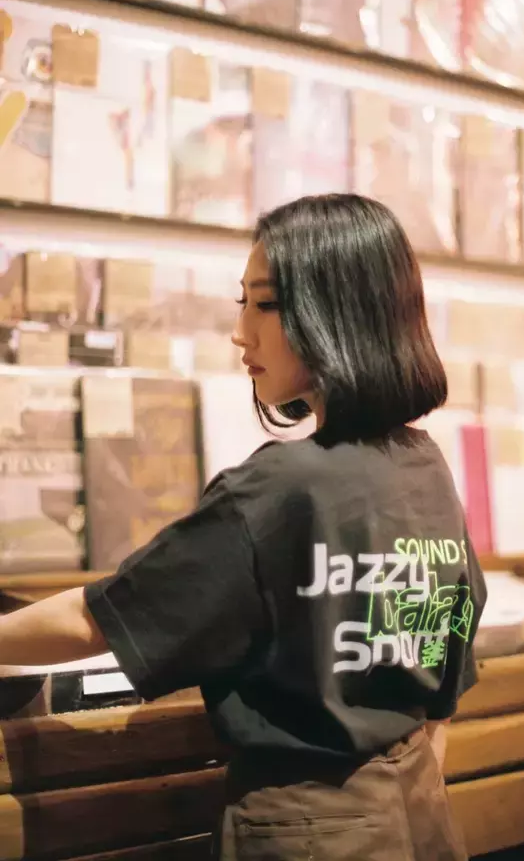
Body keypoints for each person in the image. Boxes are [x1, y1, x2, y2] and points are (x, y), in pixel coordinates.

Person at [0, 194, 487, 860]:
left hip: (306, 833)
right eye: (242, 302)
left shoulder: (280, 489)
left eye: (264, 304)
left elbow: (101, 619)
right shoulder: (424, 468)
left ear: (335, 314)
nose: (240, 331)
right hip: (421, 816)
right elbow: (444, 691)